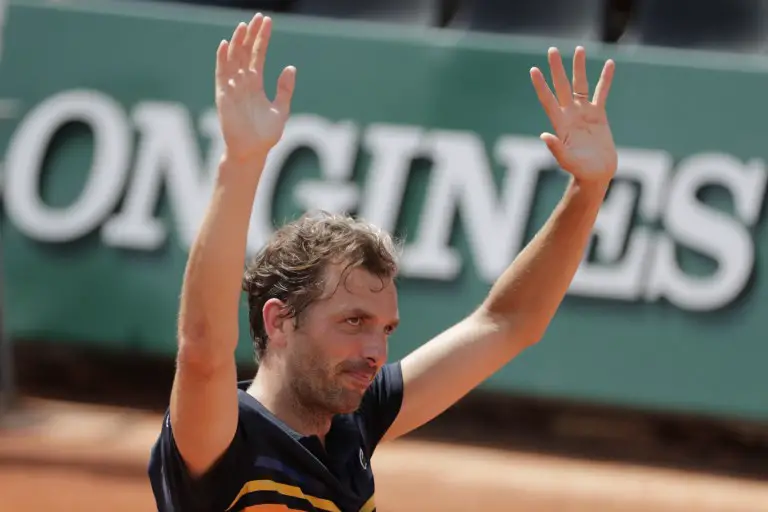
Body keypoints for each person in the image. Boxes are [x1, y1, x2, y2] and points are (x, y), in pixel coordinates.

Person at [147, 12, 617, 512]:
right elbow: (203, 350)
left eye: (386, 329)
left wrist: (589, 190)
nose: (375, 350)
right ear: (278, 319)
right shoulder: (224, 437)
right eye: (354, 321)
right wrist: (240, 163)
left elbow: (508, 321)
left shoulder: (354, 423)